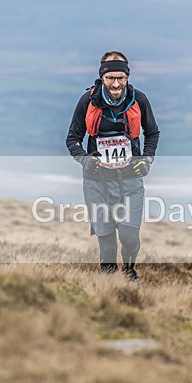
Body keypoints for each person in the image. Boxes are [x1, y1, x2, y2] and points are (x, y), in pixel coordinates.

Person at [66, 51, 160, 283]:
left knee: (129, 236)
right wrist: (86, 160)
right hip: (97, 181)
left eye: (120, 78)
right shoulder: (87, 101)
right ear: (102, 78)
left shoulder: (139, 100)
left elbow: (152, 132)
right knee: (107, 242)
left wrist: (146, 160)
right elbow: (73, 139)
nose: (116, 84)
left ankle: (129, 272)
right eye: (110, 78)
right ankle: (108, 284)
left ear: (127, 77)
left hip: (130, 179)